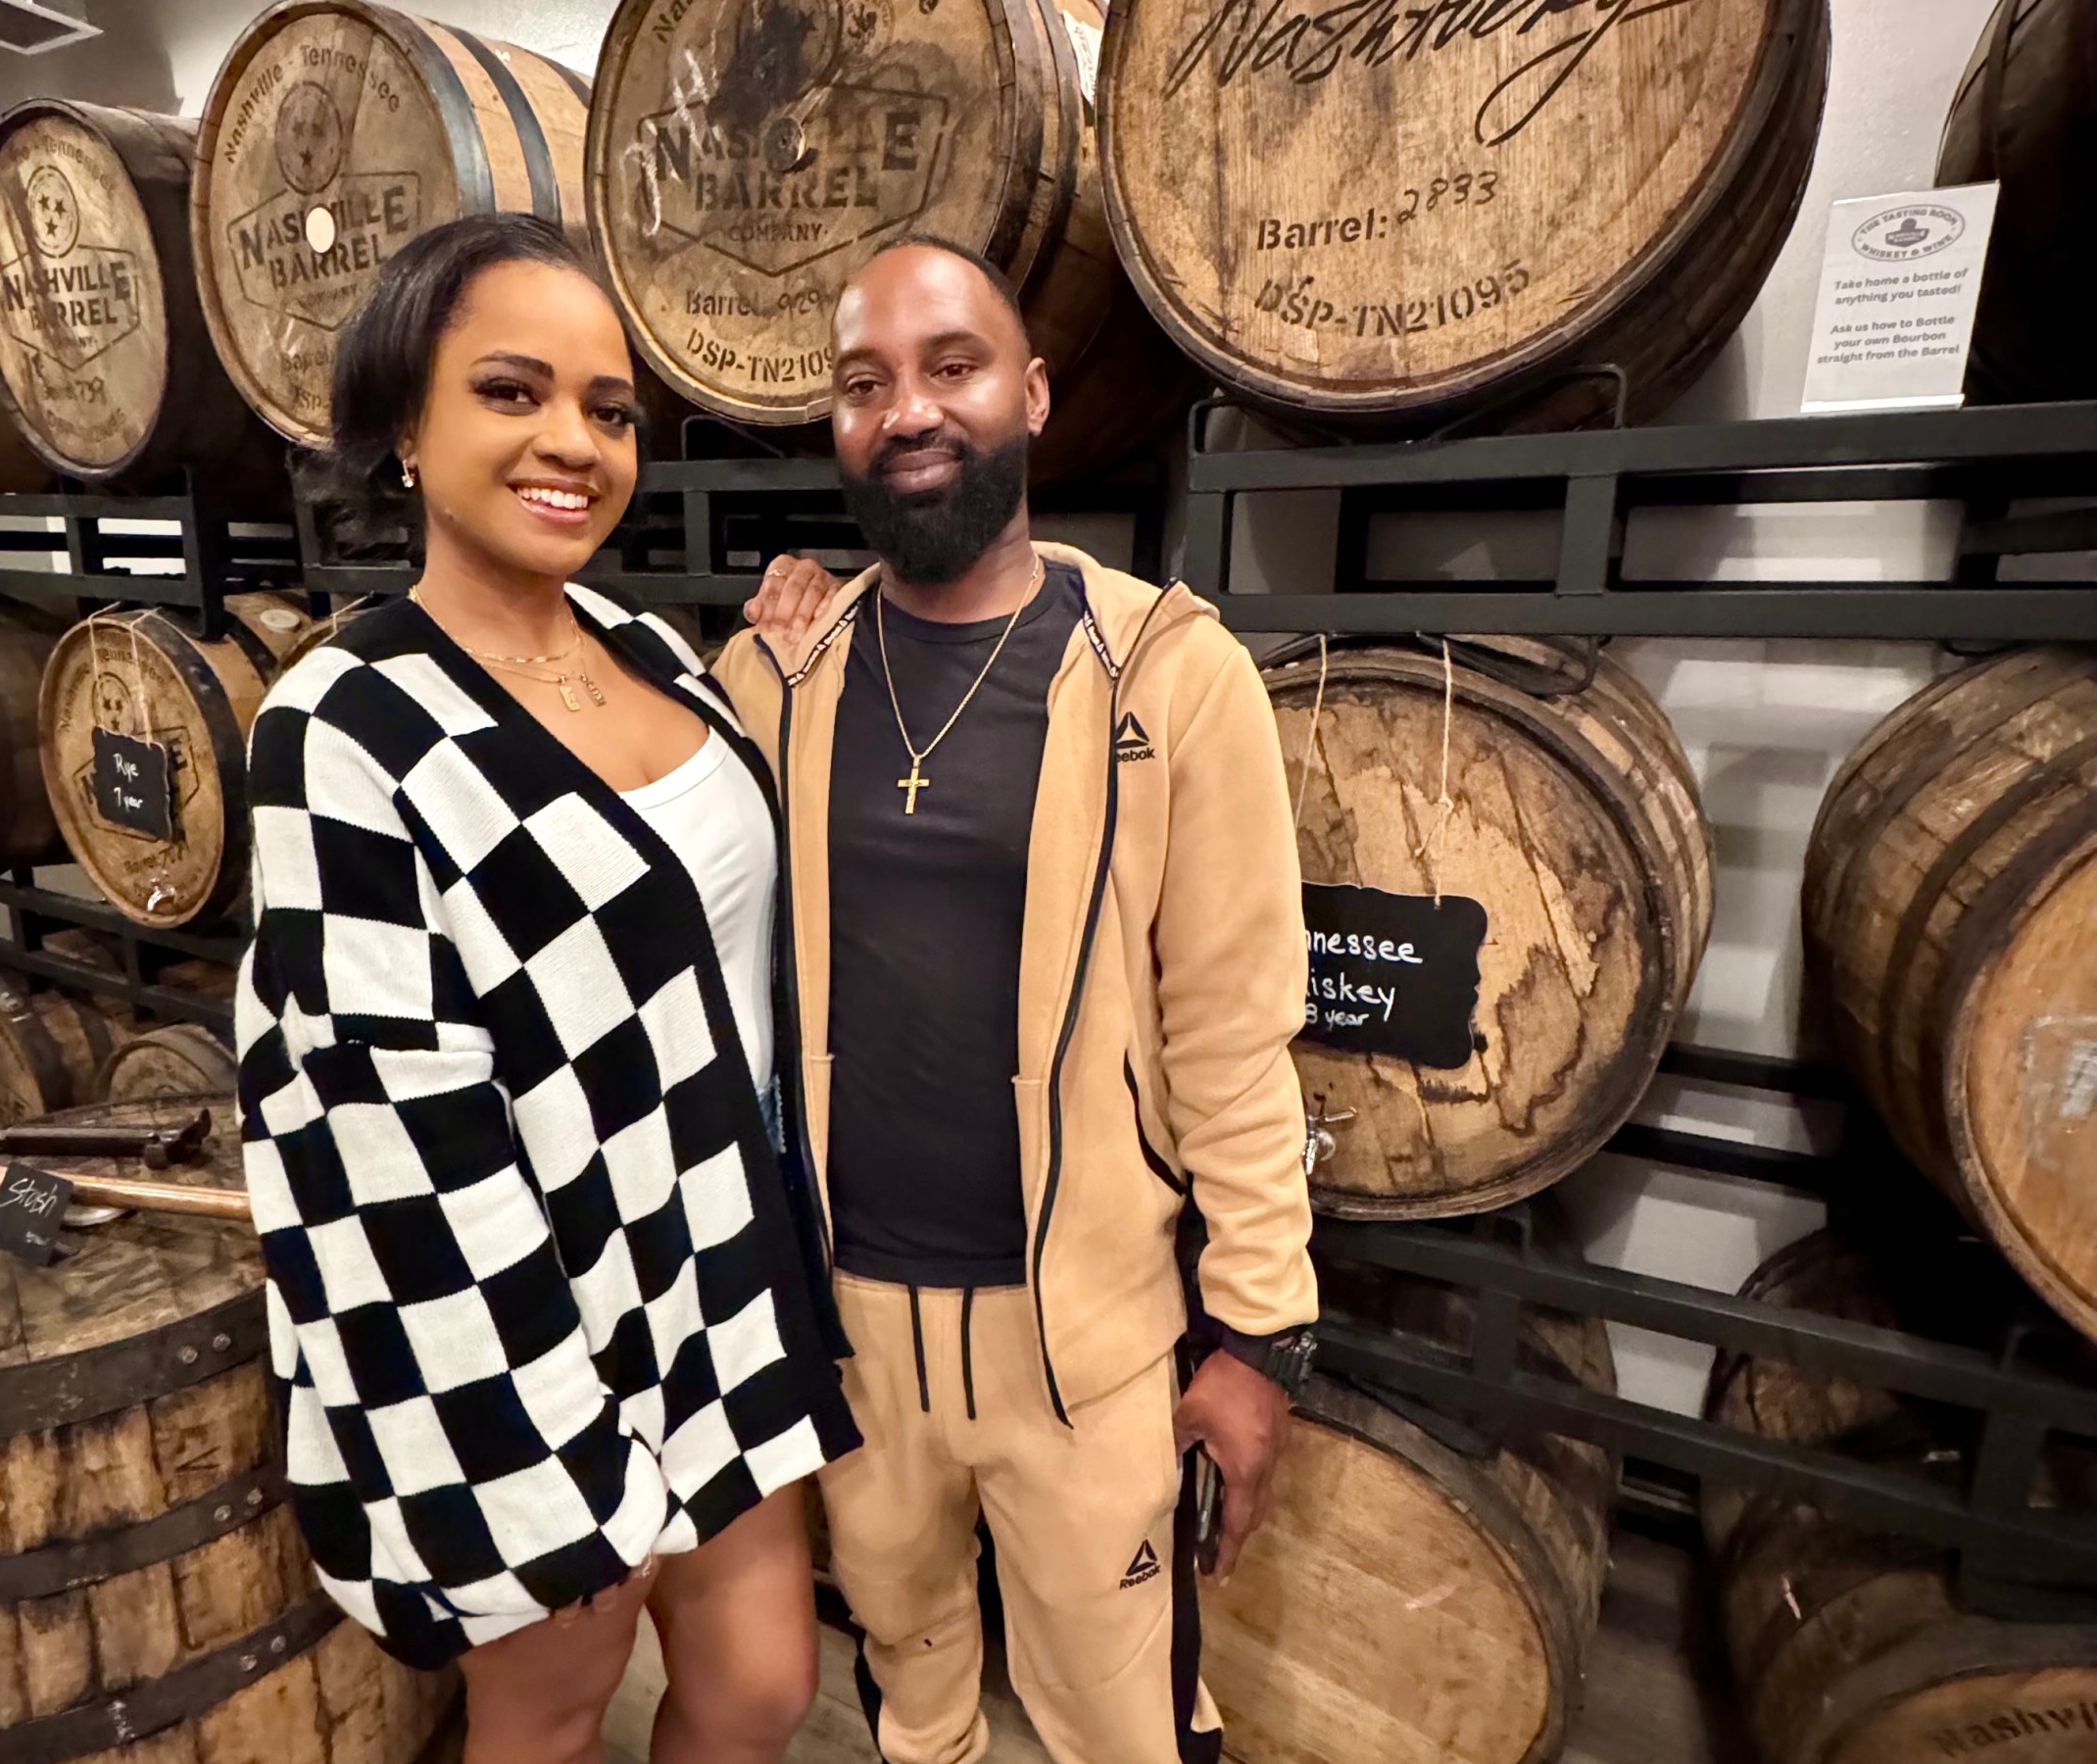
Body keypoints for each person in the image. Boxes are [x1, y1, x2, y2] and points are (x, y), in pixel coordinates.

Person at [236, 213, 857, 1764]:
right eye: (511, 394)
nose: (571, 441)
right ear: (404, 428)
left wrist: (774, 668)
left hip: (714, 1265)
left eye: (609, 408)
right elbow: (383, 1132)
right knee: (552, 1716)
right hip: (524, 1329)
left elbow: (698, 930)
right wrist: (545, 1452)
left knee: (765, 1684)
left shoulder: (652, 651)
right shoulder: (346, 726)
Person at [719, 237, 1322, 1764]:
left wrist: (1255, 1338)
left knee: (1122, 1725)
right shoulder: (778, 676)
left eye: (951, 366)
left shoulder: (1171, 677)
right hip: (856, 1338)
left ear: (1035, 394)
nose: (908, 410)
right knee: (914, 1705)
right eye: (865, 385)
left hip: (1088, 1350)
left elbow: (1238, 1031)